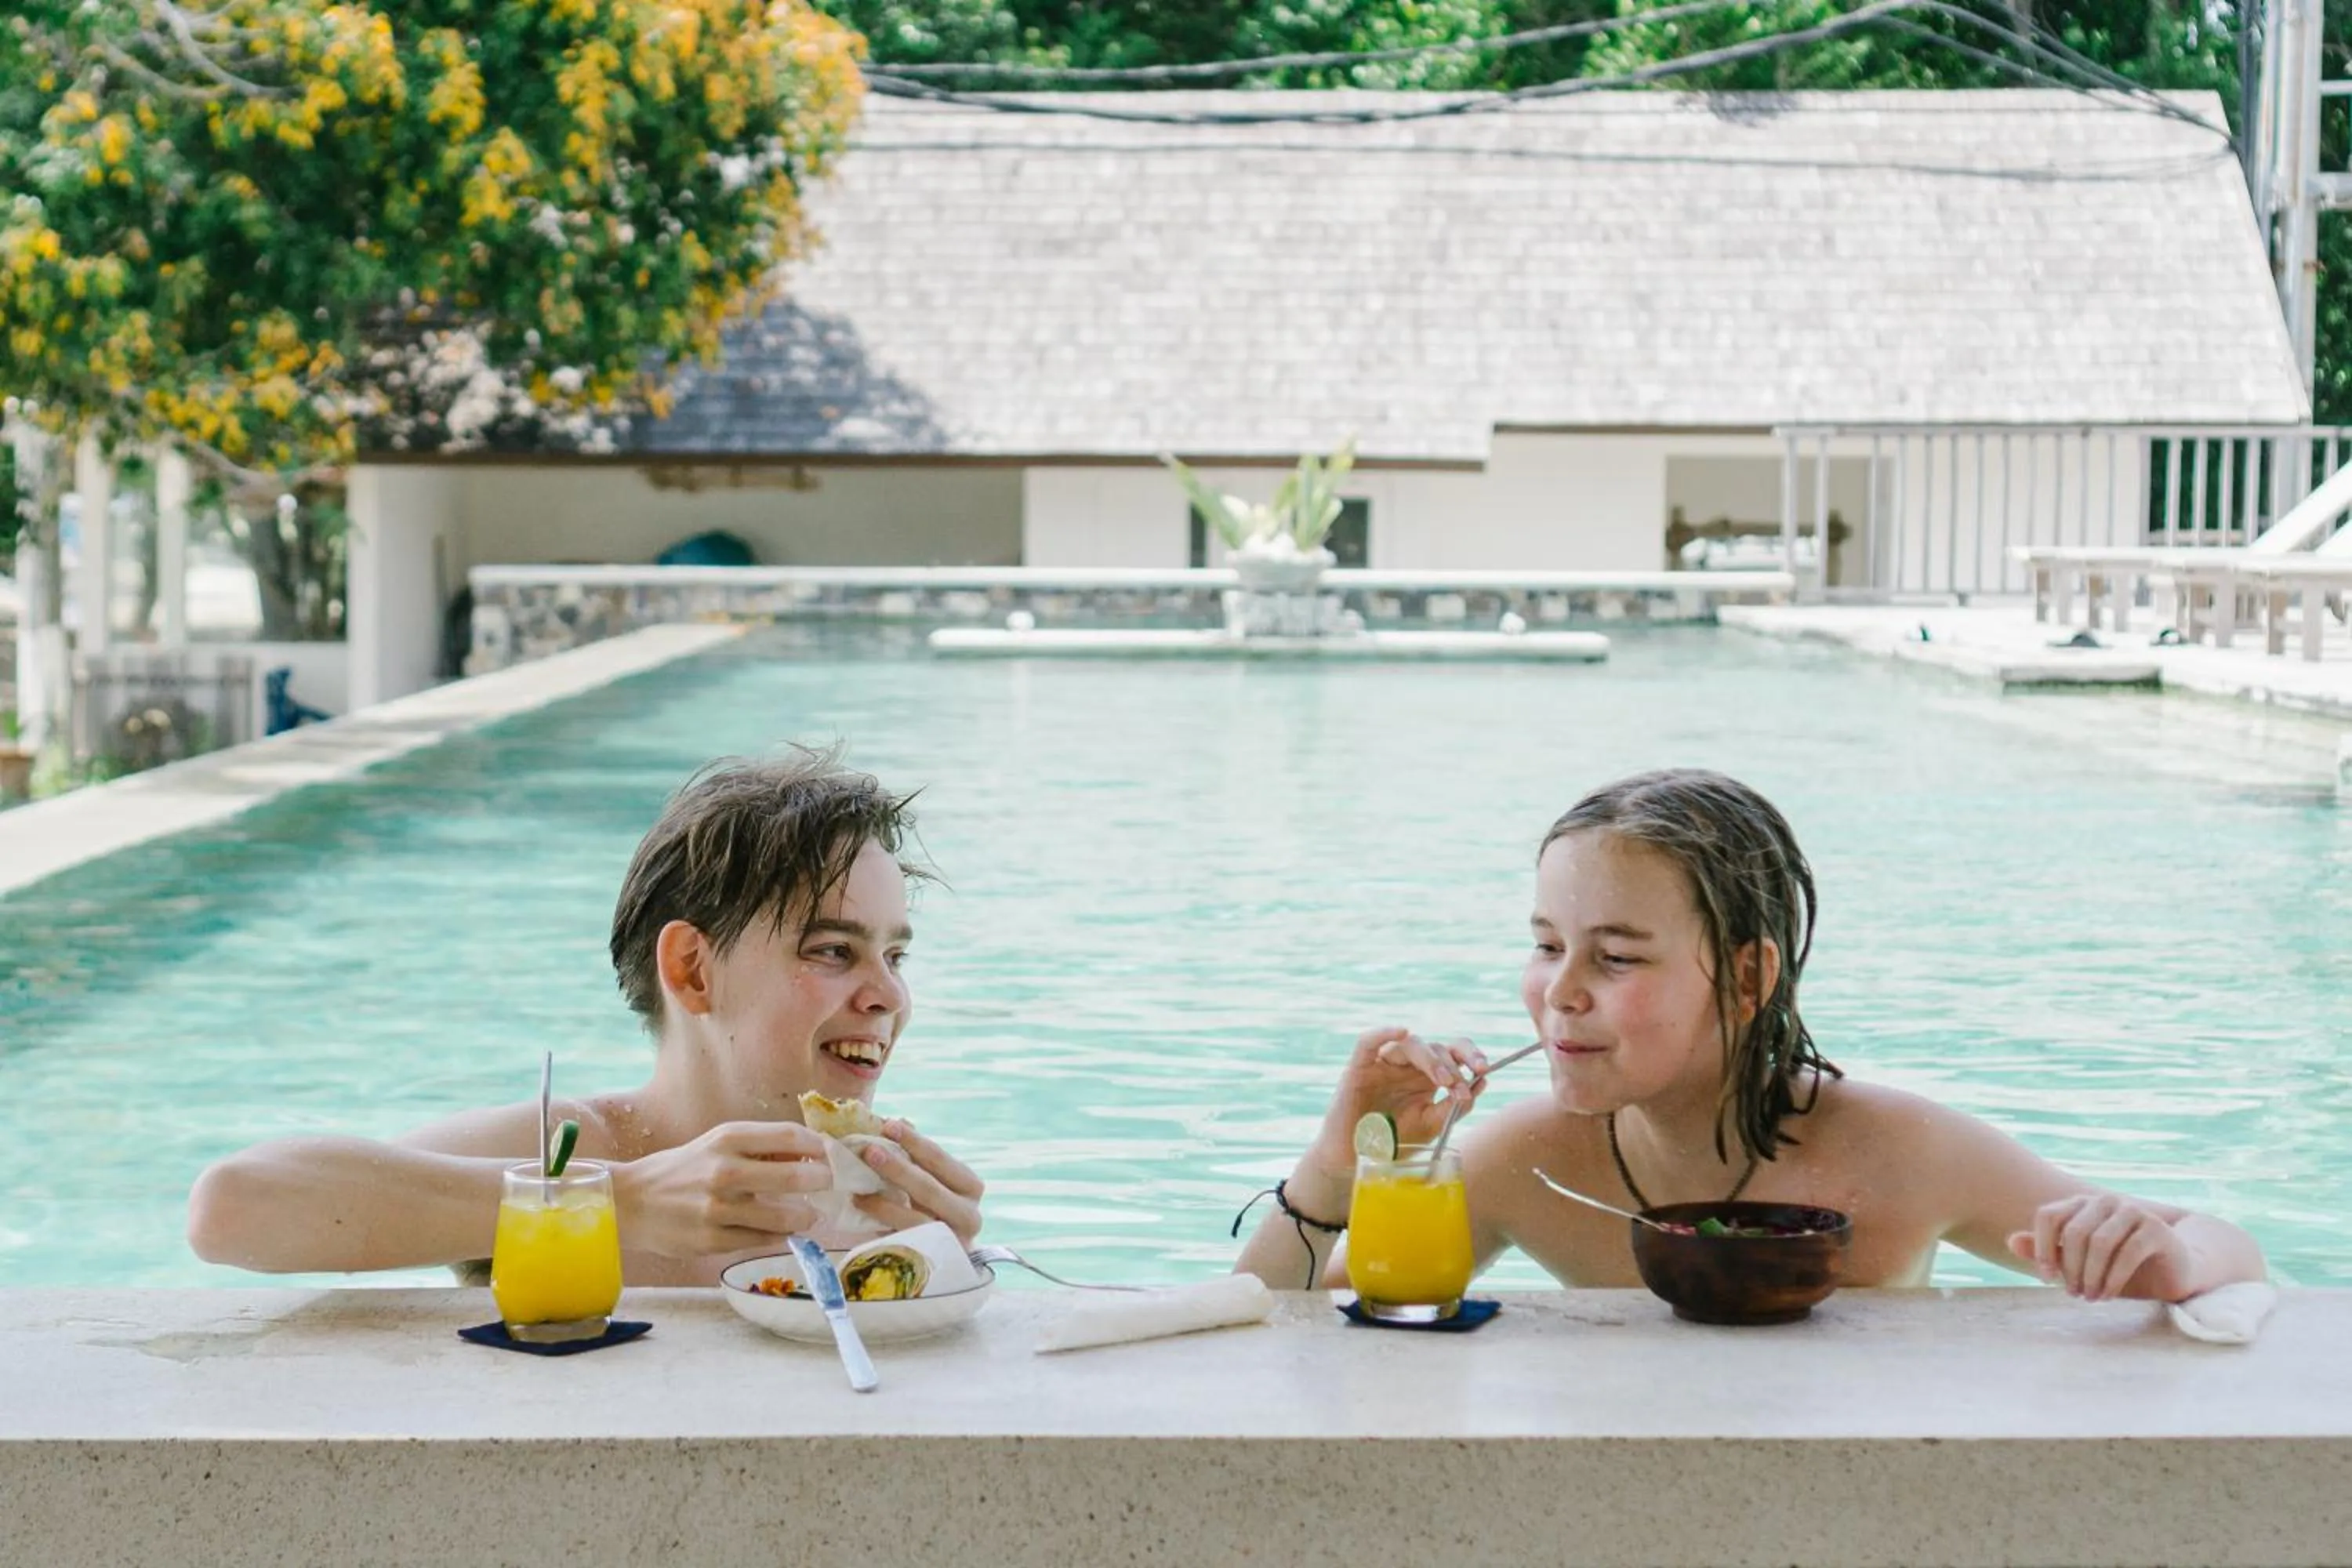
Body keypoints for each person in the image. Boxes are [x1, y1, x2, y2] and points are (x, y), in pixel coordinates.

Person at [1236, 768, 2264, 1301]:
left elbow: (2228, 1248)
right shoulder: (1522, 1162)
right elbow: (1282, 1333)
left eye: (1617, 956)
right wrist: (1340, 1165)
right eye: (1547, 946)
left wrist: (2160, 1263)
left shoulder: (1893, 1153)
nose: (1561, 993)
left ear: (1744, 976)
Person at [187, 748, 985, 1285]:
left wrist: (952, 1259)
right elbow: (234, 1208)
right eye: (832, 951)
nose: (889, 995)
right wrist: (618, 1200)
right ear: (692, 970)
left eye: (896, 956)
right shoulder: (577, 1147)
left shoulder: (879, 1205)